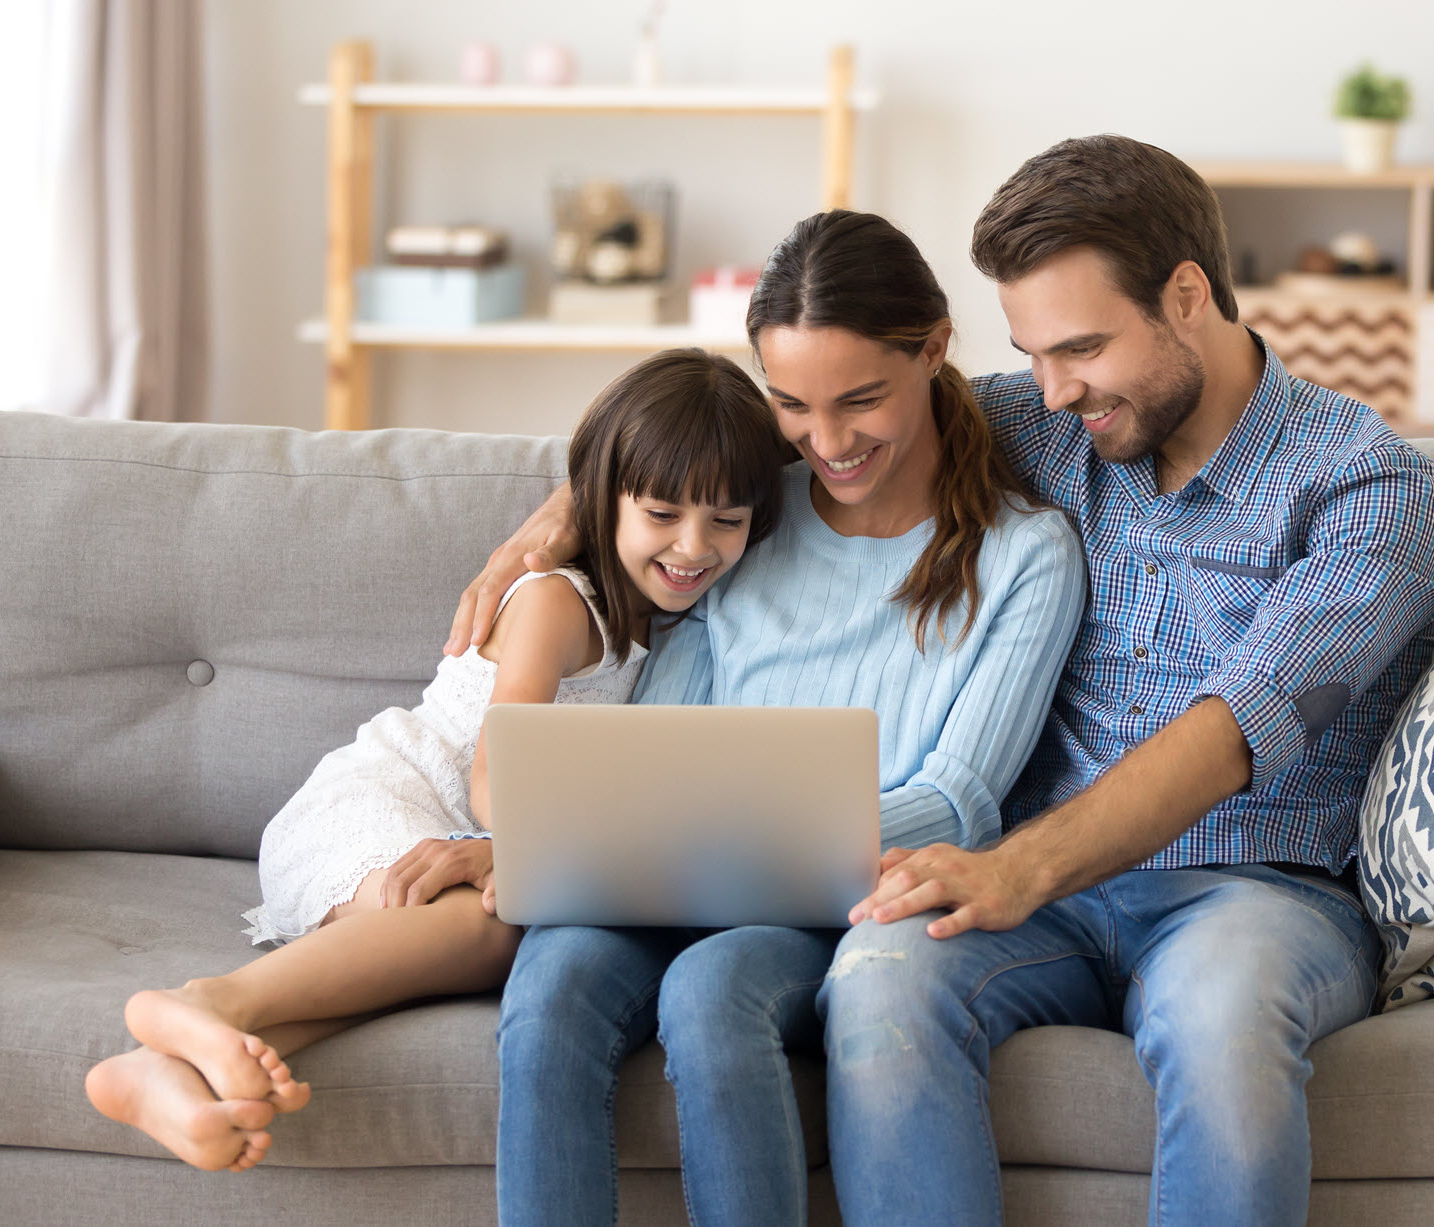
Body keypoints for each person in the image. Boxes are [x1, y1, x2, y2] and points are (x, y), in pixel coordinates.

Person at [814, 135, 1434, 1226]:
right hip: (1036, 894)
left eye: (1081, 347)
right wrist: (570, 516)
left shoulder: (1369, 491)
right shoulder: (1037, 425)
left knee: (1220, 1015)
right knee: (874, 976)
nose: (1054, 388)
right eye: (1031, 351)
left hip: (1257, 894)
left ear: (1187, 295)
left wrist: (1017, 870)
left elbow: (1231, 731)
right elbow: (804, 443)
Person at [445, 210, 1086, 1227]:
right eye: (791, 405)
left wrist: (752, 844)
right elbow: (662, 725)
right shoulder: (748, 517)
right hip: (666, 869)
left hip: (831, 905)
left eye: (861, 401)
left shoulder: (1024, 554)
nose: (826, 443)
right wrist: (547, 840)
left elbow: (958, 800)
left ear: (931, 351)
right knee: (551, 981)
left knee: (710, 992)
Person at [84, 348, 788, 1175]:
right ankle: (205, 1000)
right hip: (384, 799)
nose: (693, 547)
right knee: (496, 928)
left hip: (458, 829)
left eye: (727, 522)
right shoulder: (560, 602)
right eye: (663, 514)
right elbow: (498, 771)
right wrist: (527, 853)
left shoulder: (667, 615)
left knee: (458, 950)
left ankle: (165, 1069)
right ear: (601, 502)